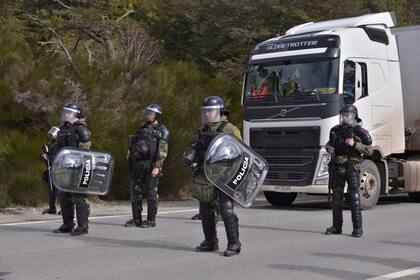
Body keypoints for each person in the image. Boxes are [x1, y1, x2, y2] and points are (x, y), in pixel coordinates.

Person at [183, 96, 242, 257]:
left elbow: (241, 154)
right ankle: (210, 241)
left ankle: (234, 243)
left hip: (225, 176)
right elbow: (196, 148)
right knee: (205, 209)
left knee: (226, 209)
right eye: (205, 111)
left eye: (210, 111)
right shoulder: (203, 130)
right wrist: (190, 158)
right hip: (206, 175)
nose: (207, 114)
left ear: (220, 111)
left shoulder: (230, 129)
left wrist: (233, 175)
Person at [42, 103, 92, 236]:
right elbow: (58, 146)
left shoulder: (81, 129)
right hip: (65, 167)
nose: (66, 114)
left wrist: (81, 166)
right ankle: (67, 224)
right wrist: (49, 154)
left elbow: (85, 149)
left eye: (69, 112)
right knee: (64, 196)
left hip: (78, 167)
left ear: (76, 114)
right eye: (65, 112)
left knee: (80, 197)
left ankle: (83, 226)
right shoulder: (63, 129)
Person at [325, 104, 373, 238]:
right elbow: (330, 143)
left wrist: (355, 144)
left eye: (348, 115)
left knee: (354, 198)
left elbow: (370, 150)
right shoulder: (335, 130)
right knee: (336, 198)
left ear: (353, 116)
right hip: (337, 166)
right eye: (343, 115)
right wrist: (329, 149)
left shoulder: (359, 132)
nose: (345, 117)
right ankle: (336, 226)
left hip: (352, 165)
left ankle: (357, 228)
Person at [125, 104, 169, 228]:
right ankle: (136, 219)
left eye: (151, 113)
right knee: (135, 192)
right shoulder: (142, 127)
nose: (149, 115)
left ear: (157, 115)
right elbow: (135, 143)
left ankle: (151, 220)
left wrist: (157, 166)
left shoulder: (162, 130)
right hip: (138, 164)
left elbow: (163, 151)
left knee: (151, 194)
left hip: (151, 165)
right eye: (148, 112)